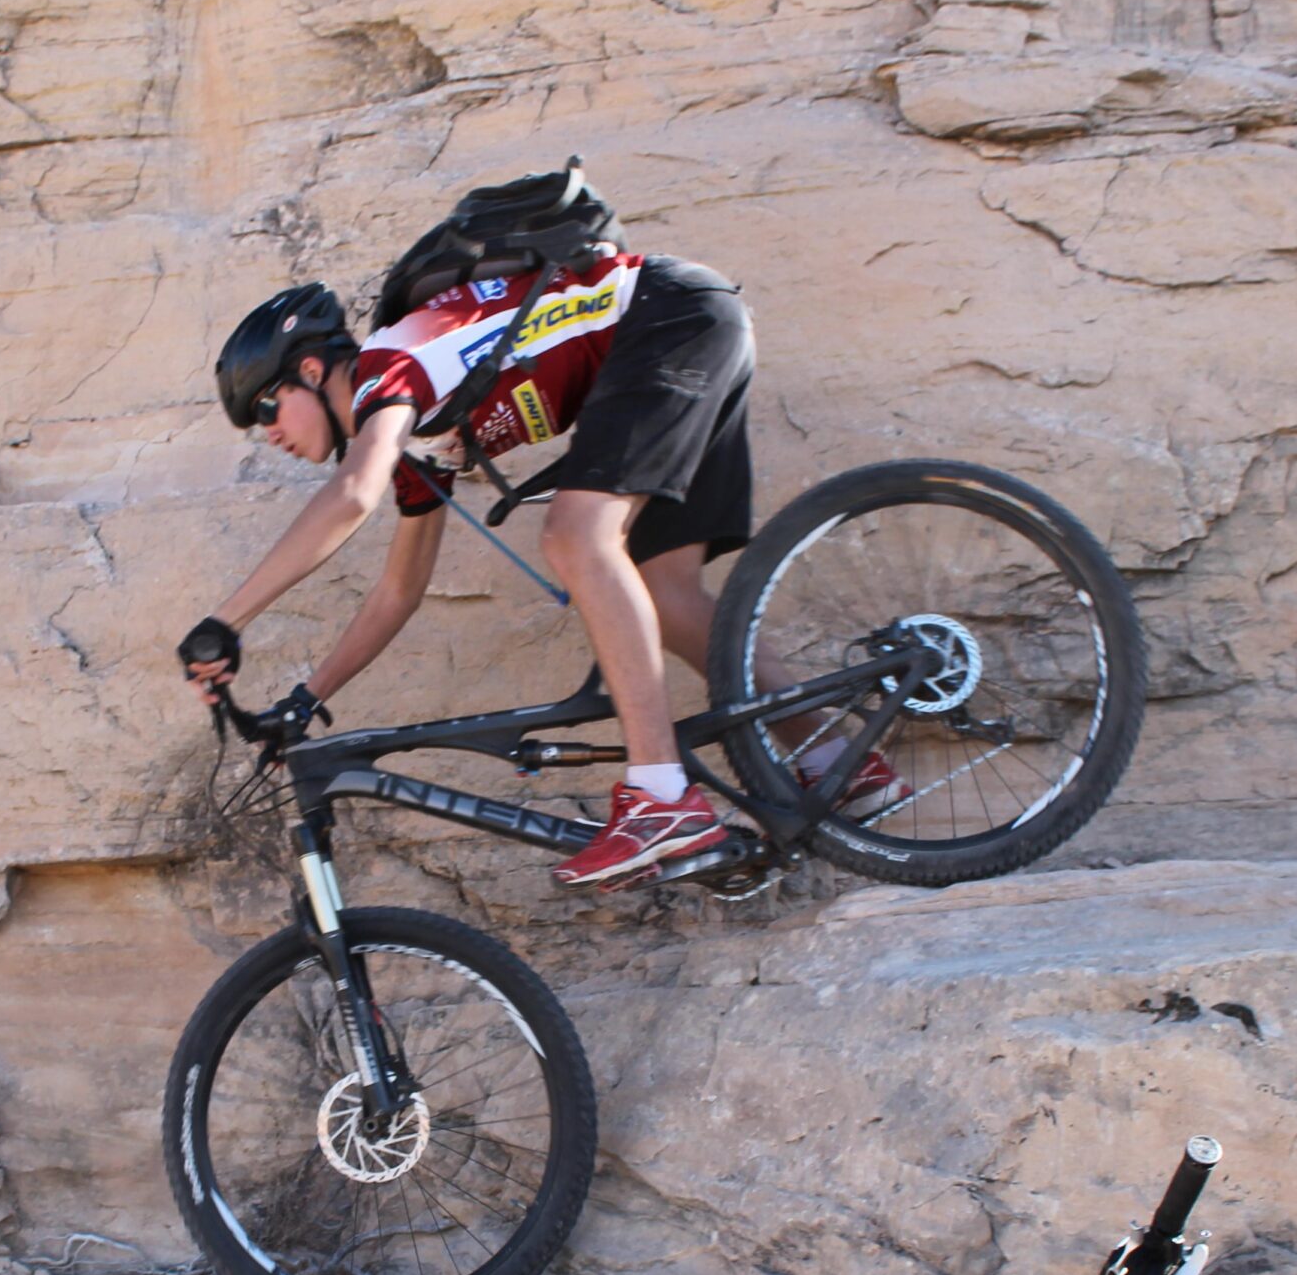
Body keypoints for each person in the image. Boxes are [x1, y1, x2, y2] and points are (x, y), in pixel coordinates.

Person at [179, 249, 902, 890]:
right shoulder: (414, 438)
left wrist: (225, 622)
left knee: (577, 536)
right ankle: (842, 761)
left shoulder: (385, 369)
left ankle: (660, 797)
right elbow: (400, 591)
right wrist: (307, 700)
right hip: (689, 324)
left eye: (267, 405)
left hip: (664, 317)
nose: (268, 432)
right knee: (666, 593)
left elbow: (352, 494)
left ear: (311, 370)